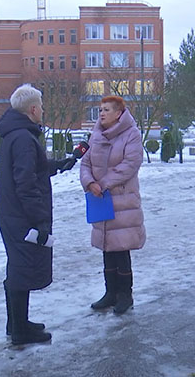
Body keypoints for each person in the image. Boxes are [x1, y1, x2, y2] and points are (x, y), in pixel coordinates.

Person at [0, 84, 76, 345]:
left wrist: (58, 165)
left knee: (19, 267)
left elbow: (31, 171)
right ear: (32, 109)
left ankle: (17, 323)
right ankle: (20, 331)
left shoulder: (17, 135)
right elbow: (26, 183)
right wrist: (40, 220)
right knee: (22, 269)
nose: (43, 109)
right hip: (22, 217)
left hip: (12, 214)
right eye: (41, 106)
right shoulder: (23, 139)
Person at [80, 95, 145, 315]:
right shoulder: (96, 134)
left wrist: (104, 183)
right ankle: (110, 293)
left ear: (119, 113)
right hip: (100, 199)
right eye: (100, 109)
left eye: (106, 109)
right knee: (107, 247)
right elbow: (86, 162)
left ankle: (125, 295)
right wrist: (89, 183)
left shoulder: (131, 134)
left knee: (121, 248)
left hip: (122, 200)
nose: (102, 113)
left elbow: (130, 164)